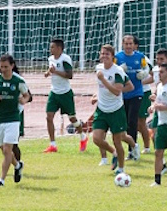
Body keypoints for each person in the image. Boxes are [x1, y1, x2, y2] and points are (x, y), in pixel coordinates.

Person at [0, 54, 30, 186]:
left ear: (12, 66)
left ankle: (2, 180)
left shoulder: (18, 81)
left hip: (13, 119)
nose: (3, 69)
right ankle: (17, 165)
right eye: (1, 67)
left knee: (6, 150)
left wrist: (24, 100)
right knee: (3, 149)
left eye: (6, 67)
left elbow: (27, 95)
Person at [91, 44, 134, 174]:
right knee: (96, 139)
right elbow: (101, 88)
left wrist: (103, 79)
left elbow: (116, 91)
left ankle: (121, 168)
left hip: (116, 110)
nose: (104, 56)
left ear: (112, 57)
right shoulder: (98, 68)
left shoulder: (117, 72)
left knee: (118, 140)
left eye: (107, 54)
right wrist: (96, 95)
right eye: (102, 53)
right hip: (102, 109)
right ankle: (113, 152)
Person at [43, 38, 88, 153]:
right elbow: (52, 70)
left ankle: (83, 136)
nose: (50, 49)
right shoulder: (51, 59)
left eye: (52, 47)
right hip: (54, 92)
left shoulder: (65, 59)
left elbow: (70, 75)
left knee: (72, 118)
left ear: (59, 48)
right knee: (49, 117)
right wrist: (48, 73)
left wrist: (55, 72)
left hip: (65, 93)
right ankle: (52, 144)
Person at [114, 34, 149, 161]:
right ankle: (124, 149)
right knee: (122, 123)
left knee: (132, 122)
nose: (128, 46)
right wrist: (118, 69)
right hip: (122, 94)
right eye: (126, 44)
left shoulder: (140, 56)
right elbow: (112, 71)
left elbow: (146, 67)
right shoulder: (117, 57)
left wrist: (144, 73)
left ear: (134, 45)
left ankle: (132, 150)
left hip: (136, 93)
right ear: (123, 44)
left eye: (130, 44)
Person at [0, 78, 32, 171]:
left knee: (13, 144)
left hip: (15, 115)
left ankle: (17, 165)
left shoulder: (17, 80)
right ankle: (17, 164)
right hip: (1, 115)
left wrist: (19, 99)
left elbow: (29, 97)